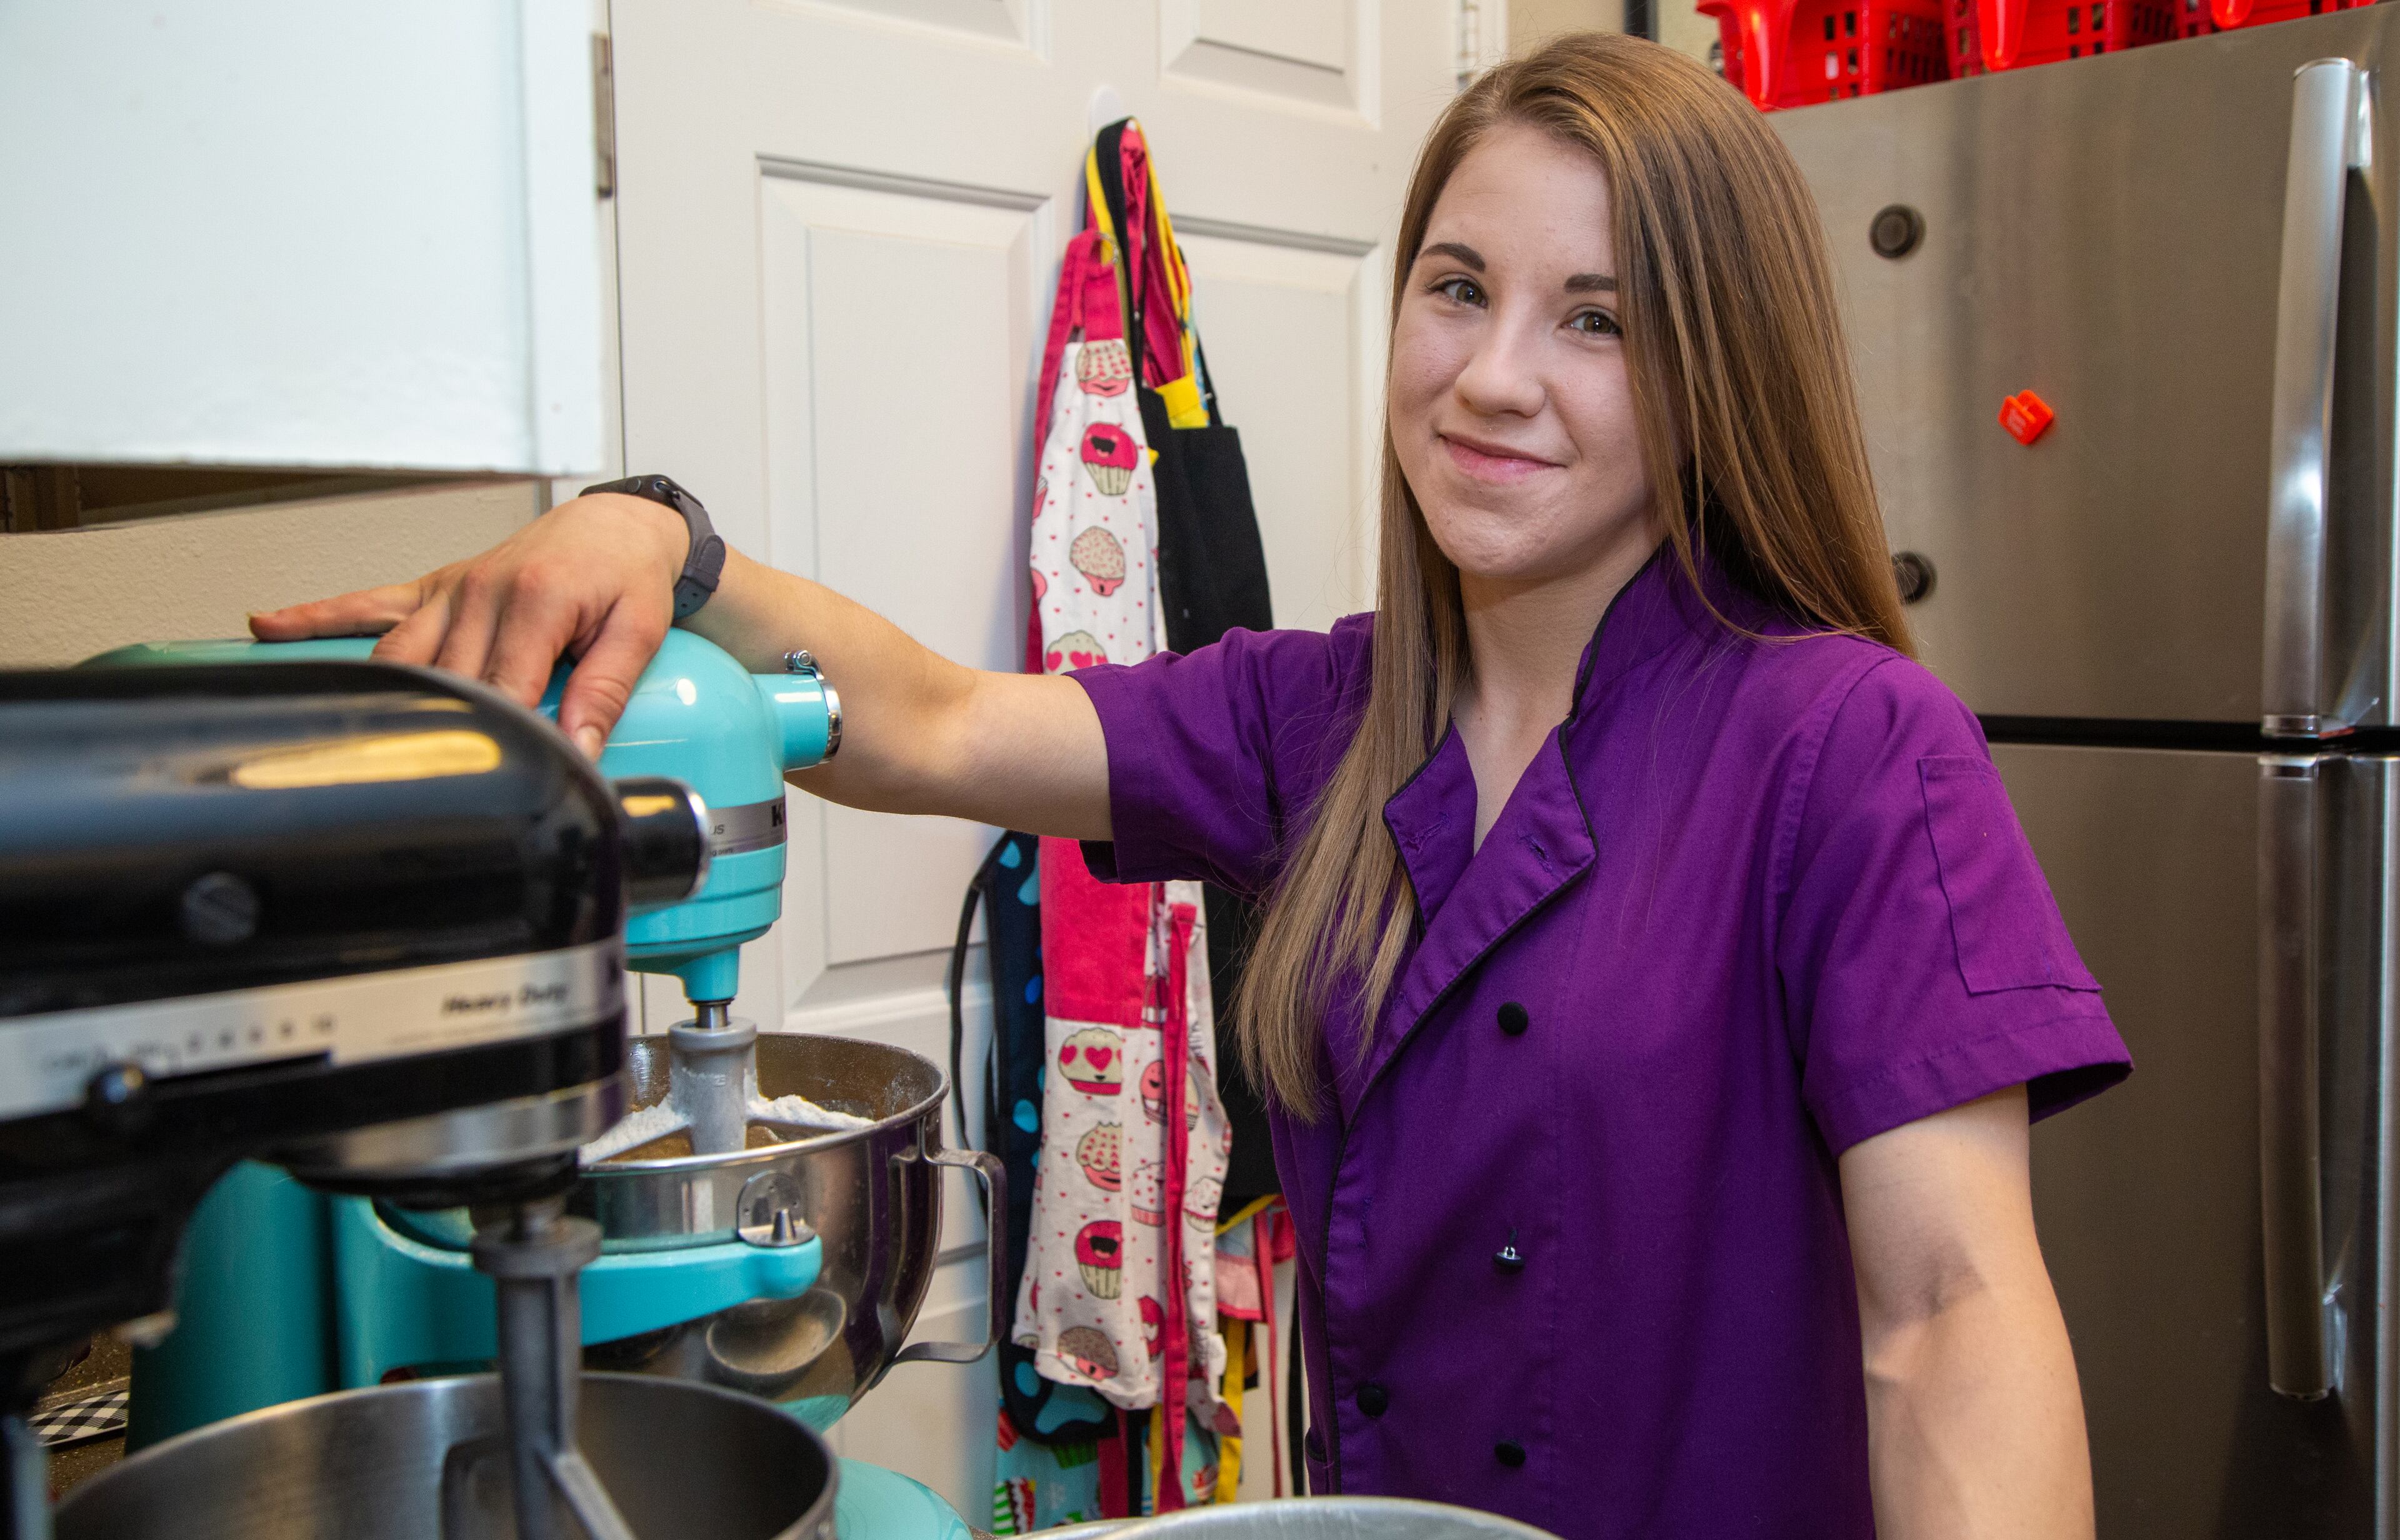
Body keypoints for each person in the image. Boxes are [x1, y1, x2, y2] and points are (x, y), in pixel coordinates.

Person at [259, 33, 2127, 1539]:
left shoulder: (1849, 747)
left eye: (1596, 319)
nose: (1488, 377)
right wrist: (648, 537)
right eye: (1457, 289)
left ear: (1717, 371)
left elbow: (1954, 1320)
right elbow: (929, 721)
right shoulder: (1323, 714)